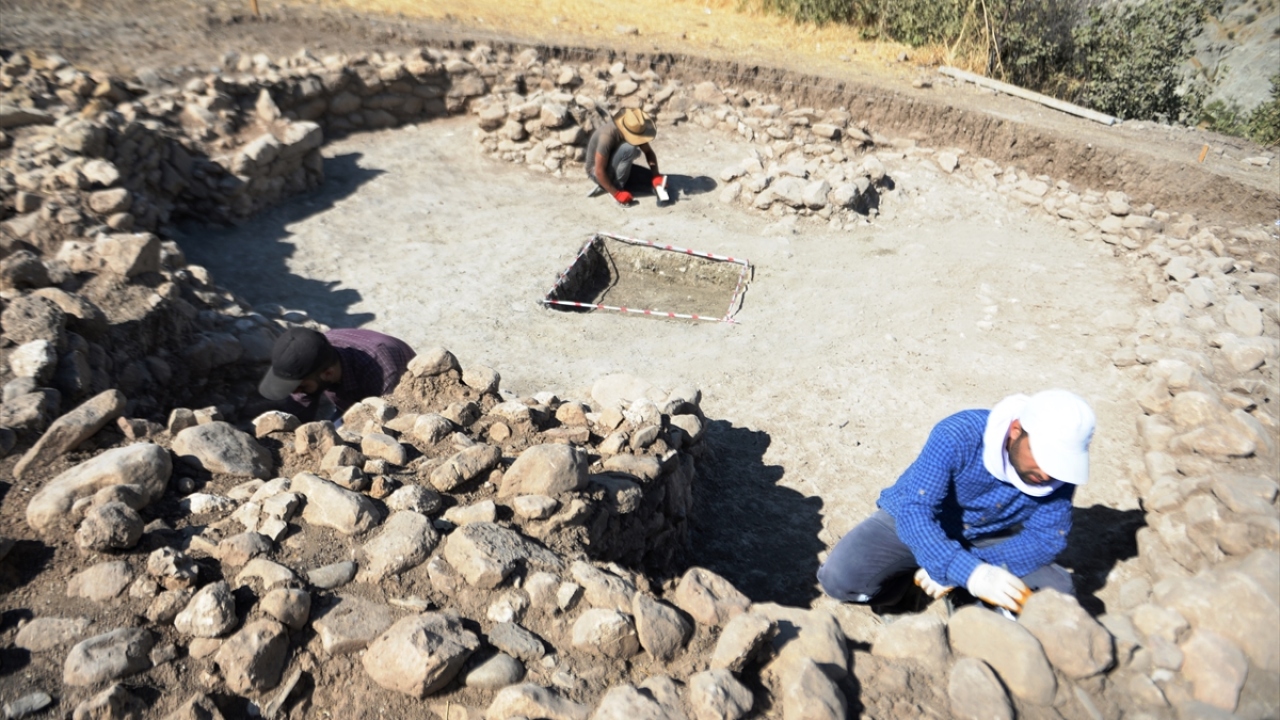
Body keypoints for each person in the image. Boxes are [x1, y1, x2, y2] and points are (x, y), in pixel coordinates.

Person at [817, 389, 1096, 615]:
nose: (1048, 473)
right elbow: (915, 511)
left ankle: (962, 597)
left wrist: (970, 570)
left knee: (1057, 593)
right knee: (841, 579)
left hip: (988, 538)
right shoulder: (959, 435)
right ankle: (902, 596)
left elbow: (1046, 538)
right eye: (1044, 457)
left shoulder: (1058, 473)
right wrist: (961, 568)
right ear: (1015, 430)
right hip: (918, 522)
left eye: (1059, 464)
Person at [258, 327, 415, 423]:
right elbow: (299, 409)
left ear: (328, 373)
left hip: (396, 401)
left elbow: (390, 418)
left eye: (299, 386)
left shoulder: (383, 368)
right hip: (349, 403)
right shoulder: (312, 356)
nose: (295, 392)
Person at [586, 107, 664, 205]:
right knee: (630, 148)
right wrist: (617, 193)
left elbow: (648, 152)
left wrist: (656, 175)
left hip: (613, 164)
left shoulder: (634, 129)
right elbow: (598, 171)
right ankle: (615, 187)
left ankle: (609, 185)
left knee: (652, 180)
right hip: (596, 172)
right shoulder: (606, 136)